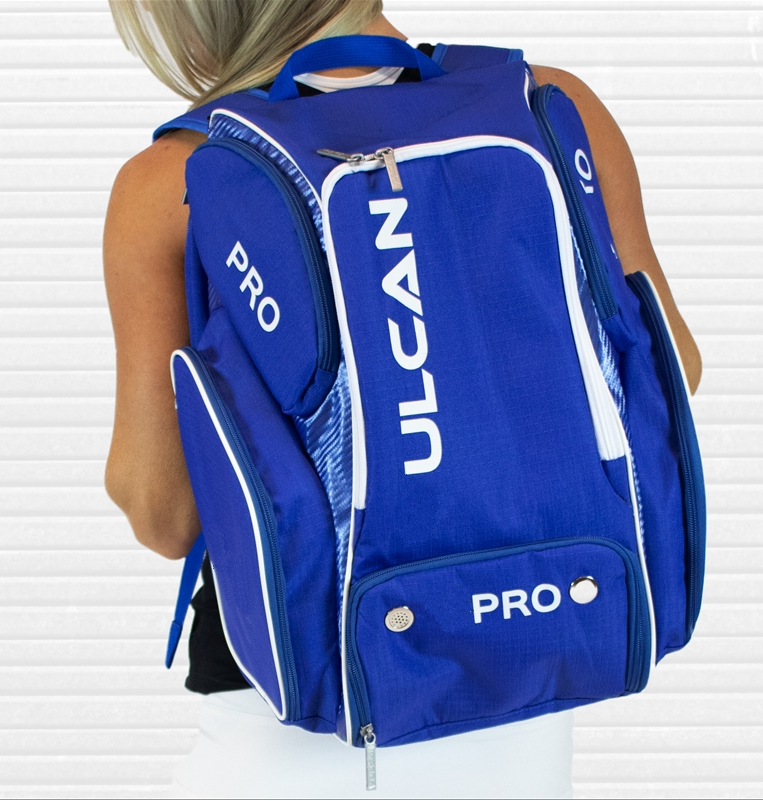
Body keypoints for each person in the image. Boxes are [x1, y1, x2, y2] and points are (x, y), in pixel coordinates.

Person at [103, 2, 702, 798]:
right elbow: (671, 371)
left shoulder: (182, 173)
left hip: (302, 710)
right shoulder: (547, 104)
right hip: (536, 669)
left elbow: (162, 512)